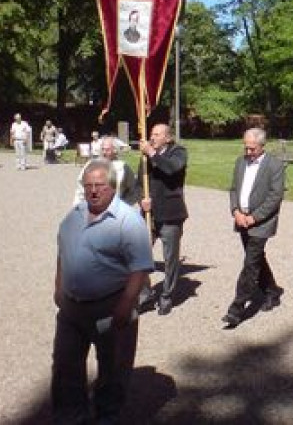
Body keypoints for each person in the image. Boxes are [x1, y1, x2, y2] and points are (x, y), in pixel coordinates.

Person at [51, 159, 153, 423]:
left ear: (112, 187)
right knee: (66, 368)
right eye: (88, 186)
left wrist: (125, 305)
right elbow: (63, 252)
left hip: (111, 307)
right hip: (71, 309)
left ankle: (107, 416)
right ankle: (72, 416)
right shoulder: (73, 216)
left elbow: (140, 267)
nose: (93, 191)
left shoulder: (128, 221)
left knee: (112, 370)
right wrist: (58, 286)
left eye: (99, 186)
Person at [223, 128, 285, 327]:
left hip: (261, 222)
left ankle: (237, 307)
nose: (248, 152)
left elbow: (275, 196)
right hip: (241, 219)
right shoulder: (240, 162)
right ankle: (272, 291)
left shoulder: (274, 165)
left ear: (262, 145)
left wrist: (254, 218)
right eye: (246, 147)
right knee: (257, 259)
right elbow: (233, 189)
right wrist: (236, 211)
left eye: (252, 148)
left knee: (250, 263)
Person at [137, 124, 188, 316]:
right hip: (148, 215)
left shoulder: (178, 152)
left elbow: (171, 169)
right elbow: (138, 182)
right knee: (138, 255)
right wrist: (141, 200)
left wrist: (151, 153)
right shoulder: (145, 156)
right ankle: (145, 295)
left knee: (170, 260)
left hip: (171, 215)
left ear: (168, 138)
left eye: (157, 134)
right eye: (151, 134)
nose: (152, 137)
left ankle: (166, 296)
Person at [74, 137, 140, 206]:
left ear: (115, 150)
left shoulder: (123, 167)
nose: (104, 152)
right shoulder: (91, 164)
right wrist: (78, 207)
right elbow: (80, 187)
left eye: (107, 150)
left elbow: (134, 189)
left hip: (115, 210)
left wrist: (125, 204)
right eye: (102, 149)